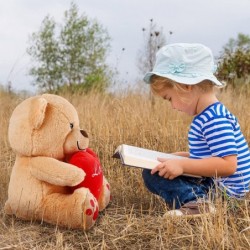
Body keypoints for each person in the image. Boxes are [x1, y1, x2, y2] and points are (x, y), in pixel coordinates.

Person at [142, 43, 250, 217]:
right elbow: (209, 157)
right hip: (216, 183)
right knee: (153, 170)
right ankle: (198, 202)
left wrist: (183, 165)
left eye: (169, 98)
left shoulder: (214, 119)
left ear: (185, 86)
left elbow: (228, 165)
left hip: (227, 194)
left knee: (152, 175)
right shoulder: (208, 115)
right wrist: (179, 157)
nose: (172, 106)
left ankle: (199, 205)